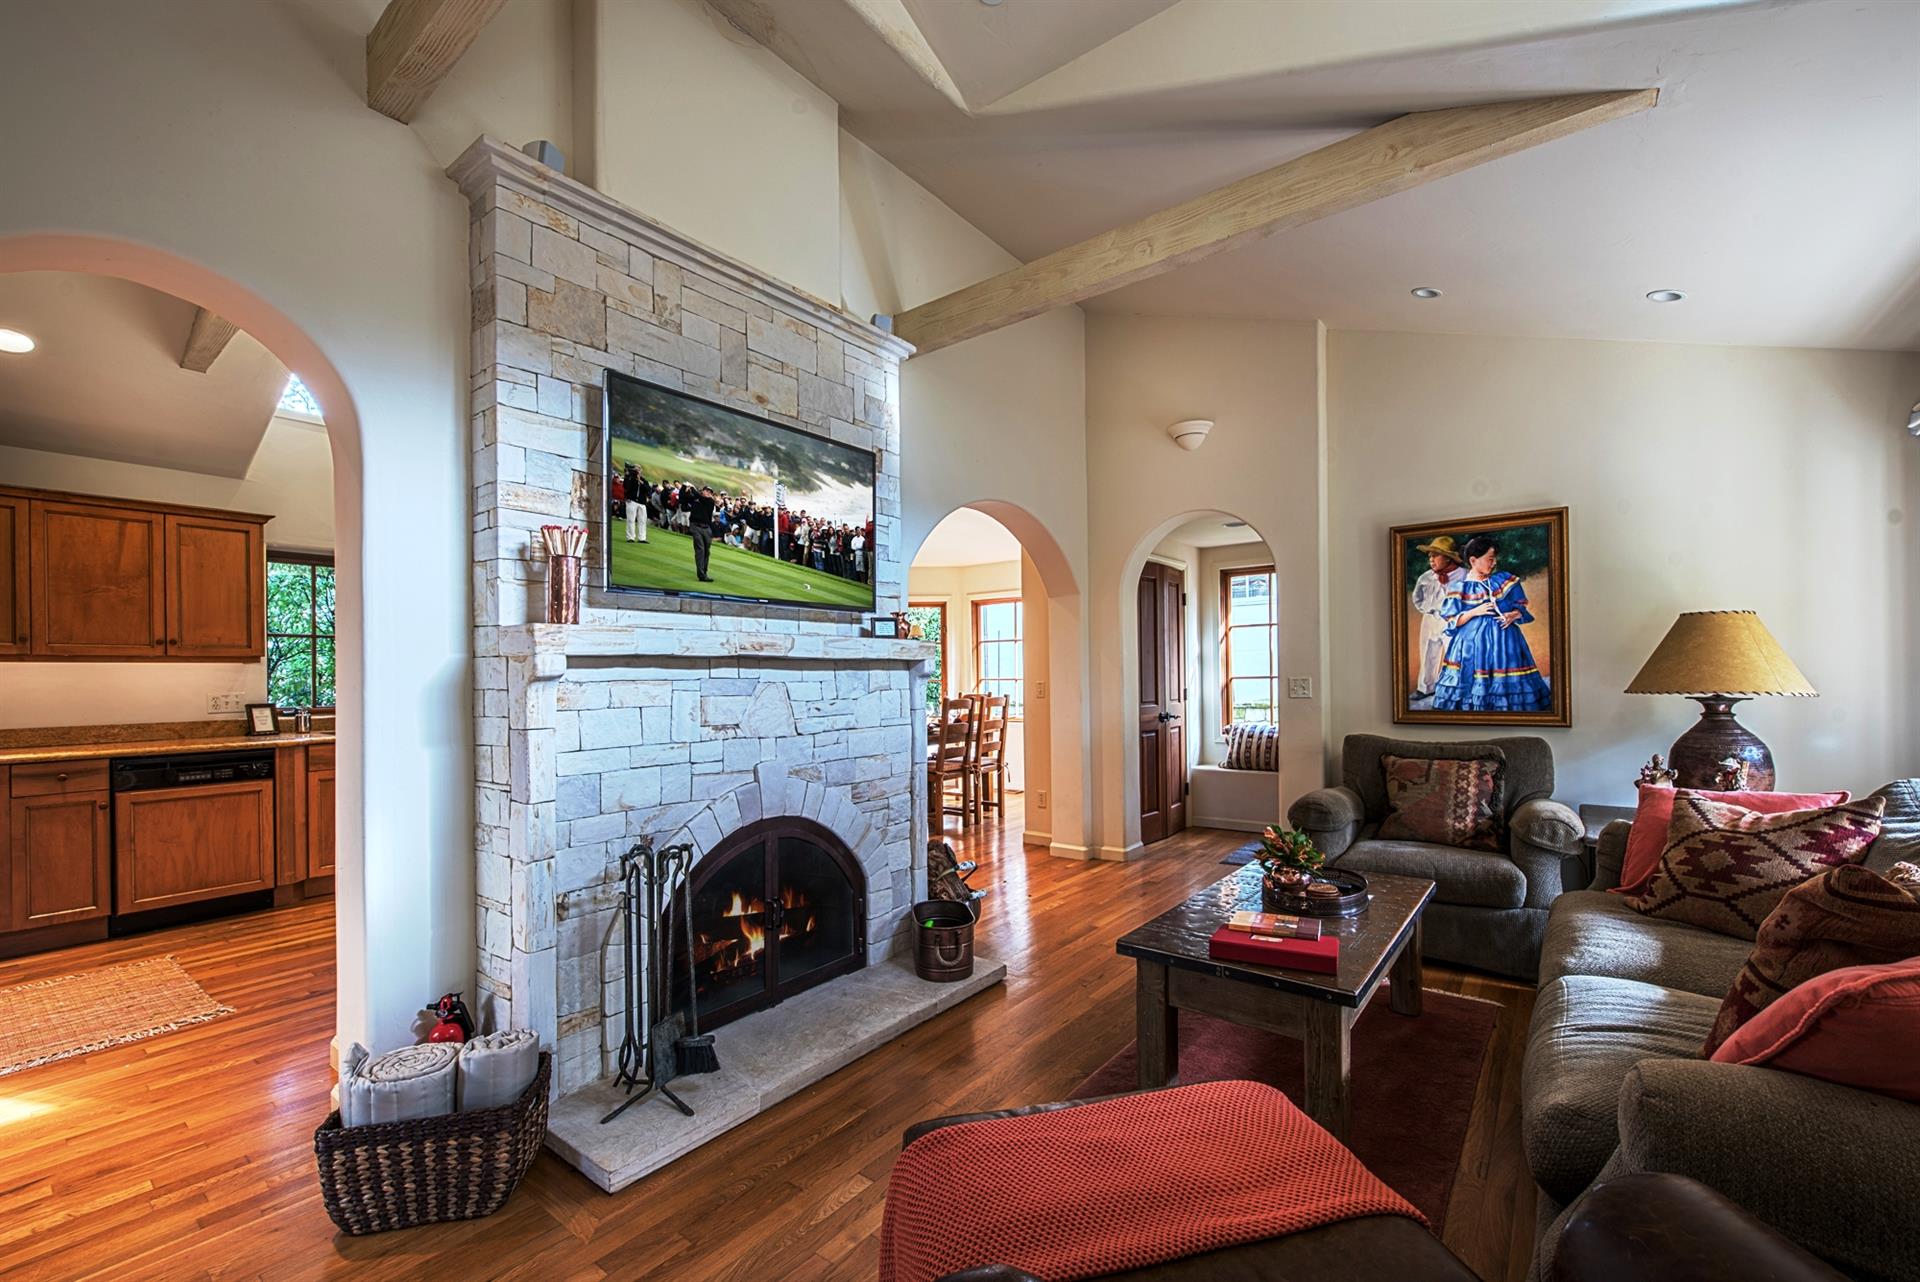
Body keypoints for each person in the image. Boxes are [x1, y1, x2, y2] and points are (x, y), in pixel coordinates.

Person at [1430, 535, 1552, 713]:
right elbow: (1452, 621)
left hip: (1505, 644)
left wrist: (1513, 615)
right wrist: (1475, 611)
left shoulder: (1503, 580)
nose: (1494, 563)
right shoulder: (1459, 587)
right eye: (1490, 559)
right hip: (1470, 647)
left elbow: (1521, 607)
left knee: (1507, 684)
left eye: (1494, 559)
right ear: (1473, 560)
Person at [1409, 535, 1463, 699]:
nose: (1431, 560)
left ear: (1447, 558)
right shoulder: (1426, 577)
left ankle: (1455, 689)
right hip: (1430, 619)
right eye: (1429, 556)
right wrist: (1428, 609)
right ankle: (1425, 688)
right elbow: (1417, 598)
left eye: (1435, 555)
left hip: (1453, 620)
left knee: (1454, 655)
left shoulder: (1464, 576)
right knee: (1427, 652)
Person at [687, 485, 717, 582]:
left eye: (710, 492)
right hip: (695, 526)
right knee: (700, 549)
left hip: (706, 528)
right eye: (706, 491)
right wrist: (686, 489)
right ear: (702, 491)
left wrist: (692, 489)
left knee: (706, 552)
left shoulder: (710, 501)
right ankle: (701, 575)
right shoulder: (695, 498)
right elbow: (684, 498)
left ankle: (704, 572)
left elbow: (700, 498)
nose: (708, 493)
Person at [623, 464, 648, 544]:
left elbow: (648, 489)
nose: (638, 471)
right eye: (636, 469)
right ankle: (630, 537)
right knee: (631, 519)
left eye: (639, 469)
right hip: (632, 501)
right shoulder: (630, 478)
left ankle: (642, 538)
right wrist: (627, 475)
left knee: (642, 521)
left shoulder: (644, 480)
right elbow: (626, 486)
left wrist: (640, 481)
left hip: (642, 502)